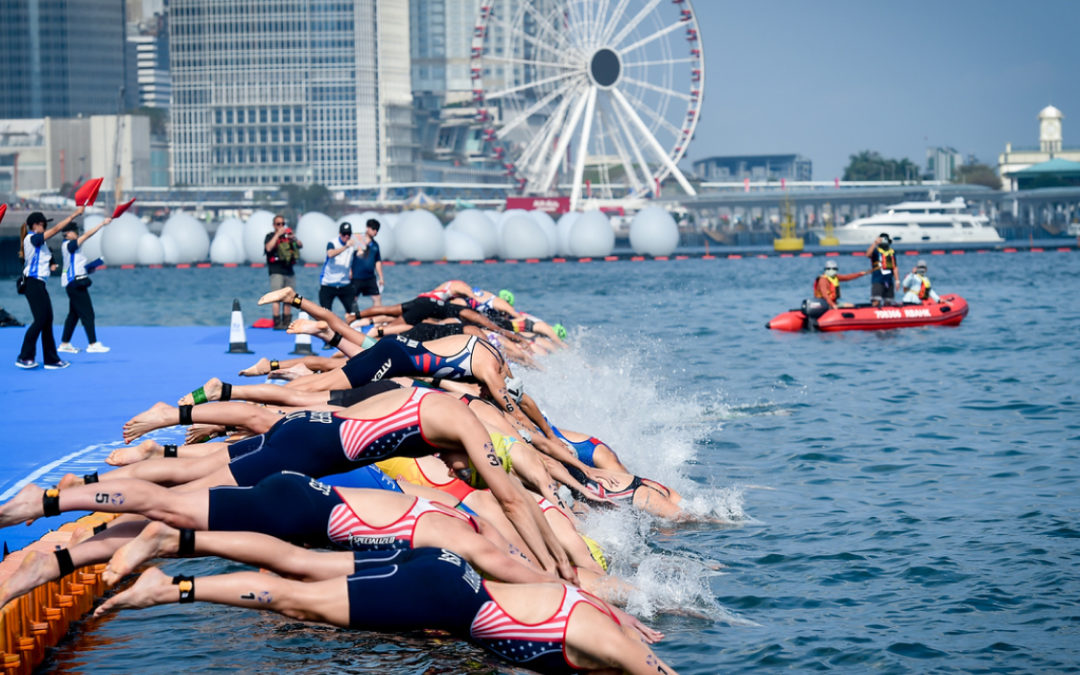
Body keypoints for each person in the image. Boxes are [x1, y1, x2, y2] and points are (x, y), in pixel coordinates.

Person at [92, 547, 676, 674]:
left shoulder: (612, 631)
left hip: (449, 577)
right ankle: (170, 588)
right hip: (447, 595)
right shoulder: (614, 647)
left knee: (300, 580)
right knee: (301, 602)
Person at [16, 208, 83, 370]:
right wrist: (74, 215)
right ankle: (24, 356)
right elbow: (56, 229)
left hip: (39, 284)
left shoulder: (39, 242)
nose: (45, 226)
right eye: (43, 224)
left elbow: (44, 257)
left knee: (47, 321)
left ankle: (51, 359)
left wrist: (52, 263)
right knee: (40, 320)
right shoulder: (32, 238)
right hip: (33, 284)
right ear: (34, 226)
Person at [58, 216, 111, 354]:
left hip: (75, 282)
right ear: (69, 233)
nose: (78, 234)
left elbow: (76, 266)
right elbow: (87, 235)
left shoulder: (71, 247)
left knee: (74, 315)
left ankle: (64, 343)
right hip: (75, 284)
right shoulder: (70, 245)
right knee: (88, 313)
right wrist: (102, 224)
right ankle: (92, 343)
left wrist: (90, 268)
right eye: (76, 231)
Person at [263, 214, 303, 329]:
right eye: (278, 224)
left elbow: (300, 245)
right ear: (274, 225)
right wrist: (277, 235)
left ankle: (287, 321)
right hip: (276, 271)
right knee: (276, 297)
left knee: (289, 298)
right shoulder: (270, 236)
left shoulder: (288, 237)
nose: (281, 226)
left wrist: (293, 238)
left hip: (289, 271)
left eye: (282, 224)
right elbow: (268, 248)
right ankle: (277, 322)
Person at [319, 221, 356, 315]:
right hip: (328, 283)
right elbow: (330, 254)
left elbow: (361, 256)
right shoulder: (332, 243)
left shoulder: (353, 245)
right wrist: (345, 247)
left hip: (344, 284)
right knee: (325, 314)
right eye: (344, 234)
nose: (347, 236)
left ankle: (351, 327)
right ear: (340, 234)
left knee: (354, 312)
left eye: (349, 234)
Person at [349, 218, 384, 310]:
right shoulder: (357, 240)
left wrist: (381, 277)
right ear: (367, 228)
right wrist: (349, 271)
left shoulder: (375, 245)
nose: (375, 231)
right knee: (352, 299)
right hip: (356, 277)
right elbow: (348, 257)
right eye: (373, 229)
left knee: (377, 298)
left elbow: (378, 261)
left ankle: (377, 319)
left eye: (377, 230)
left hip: (370, 277)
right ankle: (353, 319)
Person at [866, 233, 899, 307]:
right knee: (876, 300)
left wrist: (897, 280)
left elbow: (895, 267)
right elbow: (868, 255)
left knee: (889, 302)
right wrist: (875, 243)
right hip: (878, 280)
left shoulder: (891, 252)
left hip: (889, 280)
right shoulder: (876, 251)